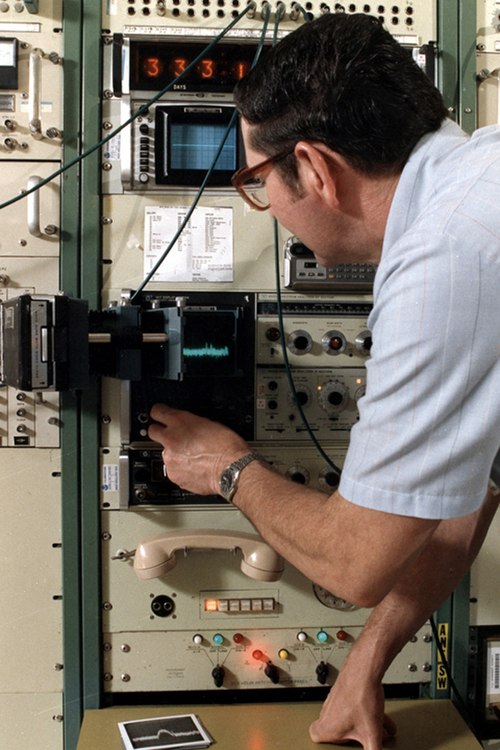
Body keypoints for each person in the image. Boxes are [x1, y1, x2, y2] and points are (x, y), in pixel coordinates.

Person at [148, 13, 500, 749]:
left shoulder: (447, 255)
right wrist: (364, 665)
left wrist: (228, 469)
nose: (269, 212)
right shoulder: (477, 186)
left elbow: (354, 561)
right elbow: (462, 494)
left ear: (312, 167)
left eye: (256, 183)